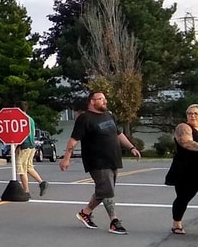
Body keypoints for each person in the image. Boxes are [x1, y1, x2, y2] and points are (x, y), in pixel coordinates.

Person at [59, 89, 141, 233]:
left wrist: (131, 147)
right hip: (97, 161)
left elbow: (119, 134)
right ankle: (114, 221)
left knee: (104, 190)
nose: (105, 101)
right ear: (92, 101)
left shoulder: (109, 116)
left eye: (105, 98)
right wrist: (66, 159)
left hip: (113, 159)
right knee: (107, 190)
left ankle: (86, 212)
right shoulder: (85, 118)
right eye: (101, 98)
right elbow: (73, 140)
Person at [166, 104, 198, 238]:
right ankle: (177, 223)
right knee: (183, 198)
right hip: (187, 173)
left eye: (196, 113)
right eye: (190, 113)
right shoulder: (183, 127)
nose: (192, 116)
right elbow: (186, 142)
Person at [15, 111, 47, 197]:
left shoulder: (21, 119)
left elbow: (20, 134)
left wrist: (16, 146)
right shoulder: (30, 119)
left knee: (21, 168)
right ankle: (41, 182)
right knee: (28, 167)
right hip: (31, 145)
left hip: (25, 146)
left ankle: (26, 191)